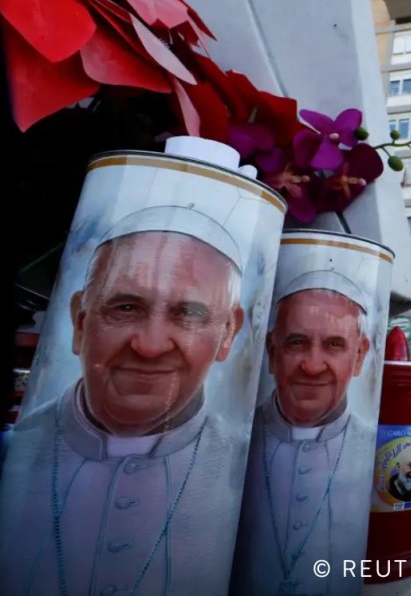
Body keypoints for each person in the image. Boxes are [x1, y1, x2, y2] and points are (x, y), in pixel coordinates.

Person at [0, 206, 247, 596]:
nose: (149, 346)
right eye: (126, 307)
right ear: (80, 321)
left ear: (228, 333)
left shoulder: (249, 473)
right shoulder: (10, 454)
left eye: (189, 313)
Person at [232, 269, 376, 596]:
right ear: (272, 351)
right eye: (296, 343)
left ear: (359, 355)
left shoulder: (374, 448)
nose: (312, 366)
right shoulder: (233, 441)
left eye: (334, 345)